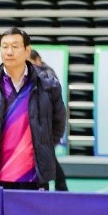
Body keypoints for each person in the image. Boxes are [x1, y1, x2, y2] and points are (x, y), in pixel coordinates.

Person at [0, 29, 67, 190]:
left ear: (27, 50)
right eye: (5, 46)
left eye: (15, 46)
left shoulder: (48, 84)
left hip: (34, 175)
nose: (9, 52)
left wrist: (44, 144)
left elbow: (58, 122)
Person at [29, 49, 69, 191]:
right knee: (48, 158)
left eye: (30, 61)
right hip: (39, 123)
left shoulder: (47, 74)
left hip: (46, 124)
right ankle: (60, 186)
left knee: (47, 158)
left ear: (38, 60)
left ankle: (60, 186)